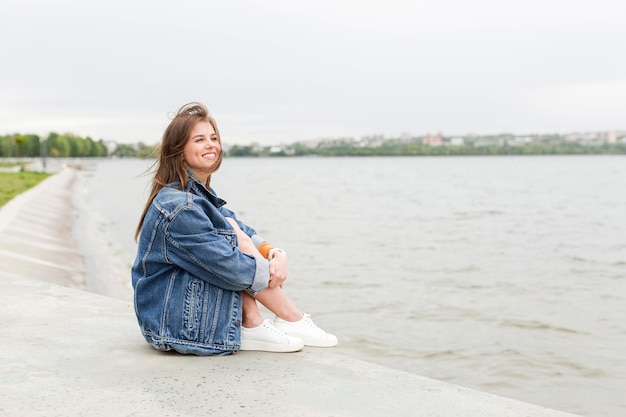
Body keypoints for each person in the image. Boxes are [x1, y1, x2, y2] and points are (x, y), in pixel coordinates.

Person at [131, 102, 337, 355]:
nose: (211, 145)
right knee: (231, 246)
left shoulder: (195, 195)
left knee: (230, 229)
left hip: (182, 318)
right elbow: (230, 267)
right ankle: (288, 317)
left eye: (214, 138)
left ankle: (255, 320)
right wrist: (268, 269)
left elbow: (238, 227)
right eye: (199, 140)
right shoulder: (180, 207)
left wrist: (274, 252)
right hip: (177, 327)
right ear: (179, 151)